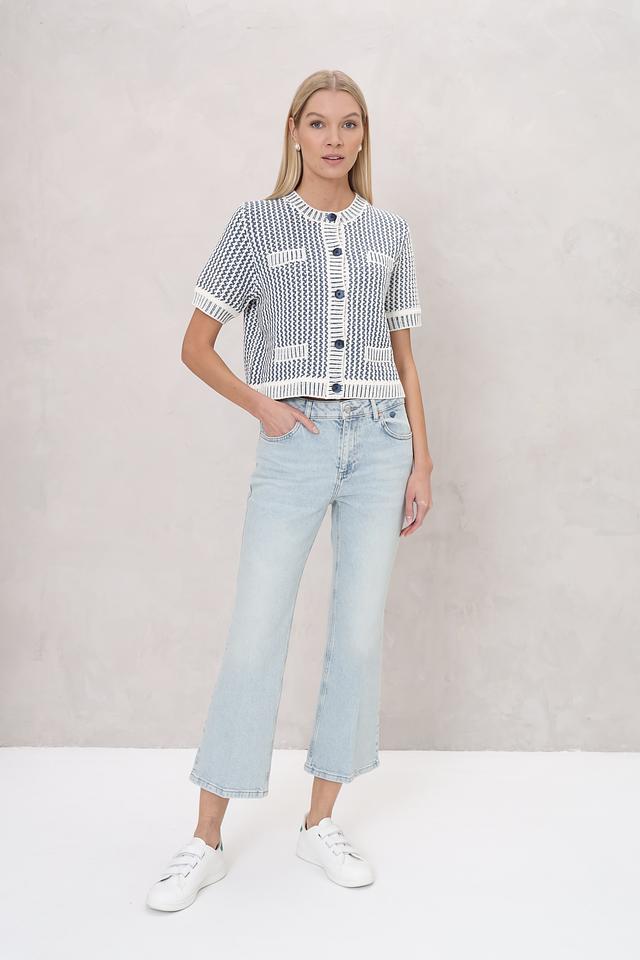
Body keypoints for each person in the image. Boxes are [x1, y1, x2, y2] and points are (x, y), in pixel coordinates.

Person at [146, 68, 434, 912]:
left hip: (380, 443)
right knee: (255, 633)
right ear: (295, 132)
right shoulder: (257, 224)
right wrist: (264, 407)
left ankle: (320, 822)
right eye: (319, 123)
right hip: (295, 442)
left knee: (357, 636)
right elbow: (196, 345)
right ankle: (205, 839)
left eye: (349, 124)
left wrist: (421, 461)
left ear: (363, 135)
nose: (334, 139)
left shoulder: (390, 233)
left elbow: (405, 358)